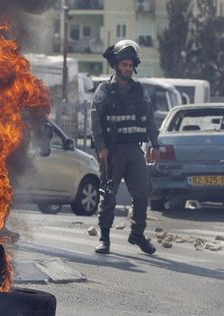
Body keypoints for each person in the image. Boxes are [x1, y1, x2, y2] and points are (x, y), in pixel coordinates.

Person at [90, 39, 160, 255]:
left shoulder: (140, 91)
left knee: (142, 192)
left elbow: (149, 119)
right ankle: (104, 238)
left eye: (130, 65)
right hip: (112, 152)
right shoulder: (104, 90)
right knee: (108, 193)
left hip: (134, 151)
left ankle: (137, 234)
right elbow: (95, 120)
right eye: (124, 65)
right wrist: (101, 147)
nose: (127, 69)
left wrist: (155, 144)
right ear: (116, 65)